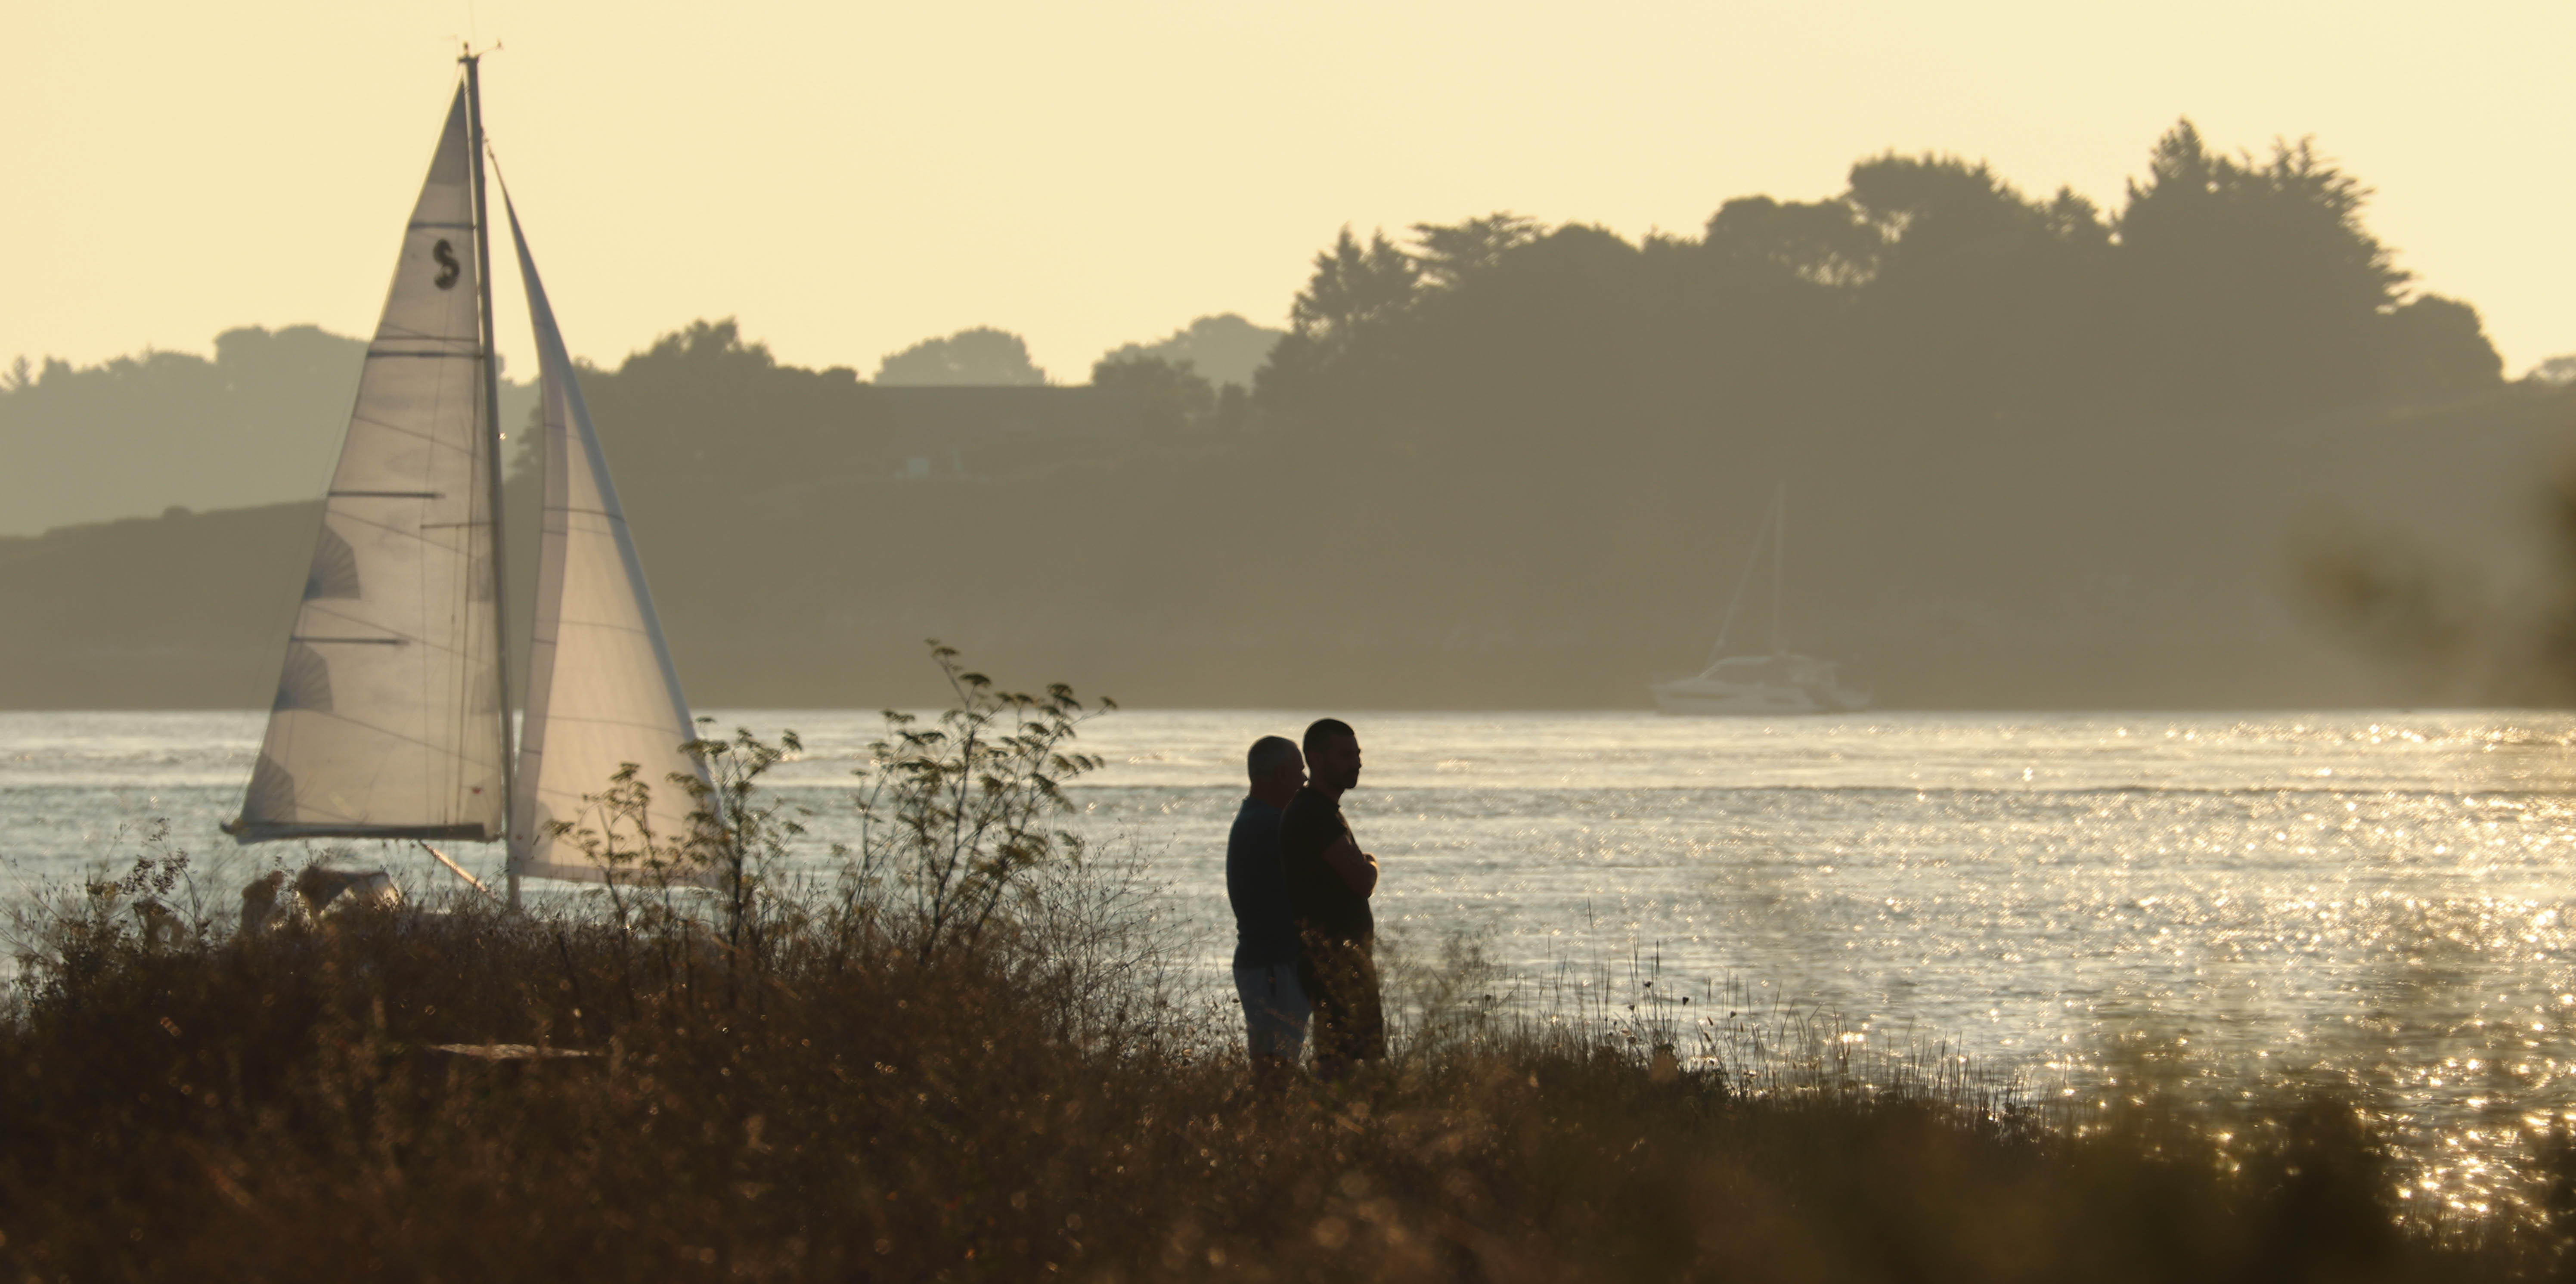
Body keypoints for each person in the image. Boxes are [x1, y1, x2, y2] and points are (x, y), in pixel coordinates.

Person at [1279, 717, 1384, 1075]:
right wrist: (1371, 862)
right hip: (1331, 964)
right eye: (1345, 756)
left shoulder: (1325, 812)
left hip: (1345, 962)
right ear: (1316, 759)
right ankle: (1333, 1125)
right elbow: (1361, 880)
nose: (1356, 763)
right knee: (1340, 1061)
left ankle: (1341, 1124)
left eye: (1357, 755)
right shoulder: (1313, 814)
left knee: (1352, 1059)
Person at [1227, 735, 1310, 1087]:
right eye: (1299, 772)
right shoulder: (1270, 825)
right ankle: (1263, 1132)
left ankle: (1266, 1129)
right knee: (1274, 1070)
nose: (1305, 780)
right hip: (1272, 967)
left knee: (1276, 1066)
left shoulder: (1258, 820)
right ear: (1280, 775)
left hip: (1270, 964)